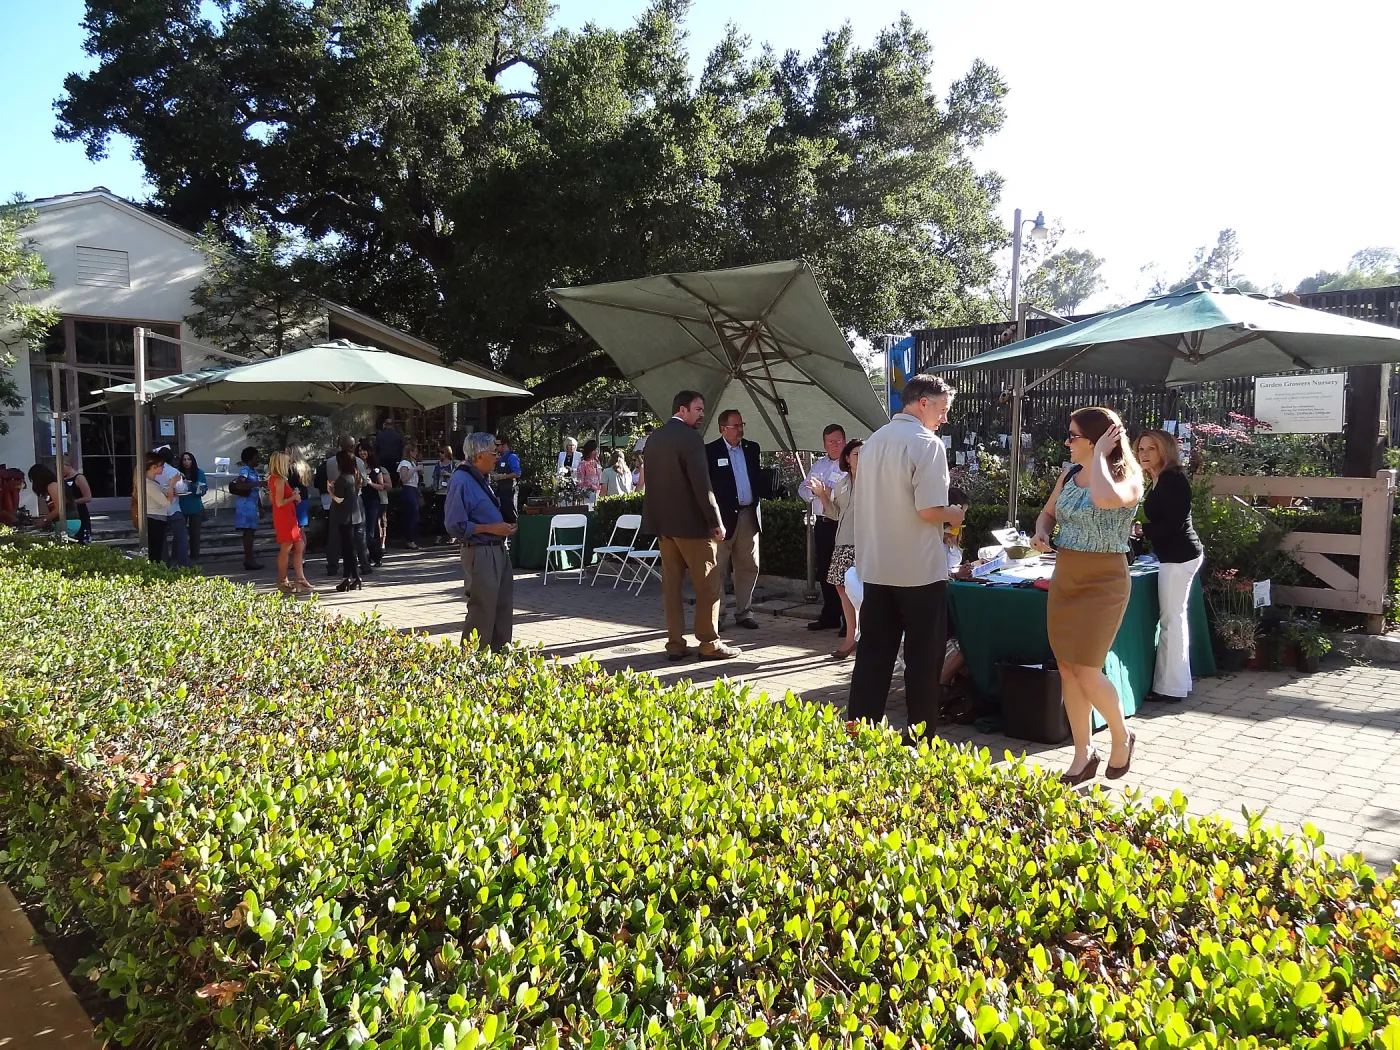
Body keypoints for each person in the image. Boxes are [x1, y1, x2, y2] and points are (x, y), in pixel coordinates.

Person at [1031, 406, 1144, 784]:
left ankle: (1120, 735)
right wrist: (1042, 532)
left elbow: (1105, 500)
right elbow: (1047, 514)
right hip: (1066, 576)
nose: (1067, 441)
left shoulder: (1128, 478)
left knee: (1087, 669)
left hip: (1104, 581)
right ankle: (1083, 754)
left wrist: (1098, 458)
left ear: (1096, 440)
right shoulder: (1068, 473)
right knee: (1067, 669)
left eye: (1074, 435)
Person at [848, 375, 963, 737]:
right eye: (942, 410)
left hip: (877, 564)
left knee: (872, 655)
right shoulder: (926, 443)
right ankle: (920, 738)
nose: (944, 419)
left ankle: (859, 733)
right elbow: (929, 510)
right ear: (923, 403)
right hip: (917, 571)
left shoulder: (874, 441)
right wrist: (954, 514)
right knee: (923, 660)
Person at [639, 390, 739, 661]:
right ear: (681, 410)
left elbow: (653, 484)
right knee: (708, 586)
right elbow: (702, 485)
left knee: (671, 588)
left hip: (664, 528)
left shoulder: (654, 439)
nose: (702, 414)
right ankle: (709, 644)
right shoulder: (691, 439)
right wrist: (715, 521)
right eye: (698, 409)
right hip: (693, 528)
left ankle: (675, 644)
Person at [1135, 428, 1204, 703]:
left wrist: (1143, 531)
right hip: (1176, 556)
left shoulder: (1172, 479)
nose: (1144, 454)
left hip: (1179, 558)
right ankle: (1177, 683)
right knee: (1174, 620)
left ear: (1165, 451)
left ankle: (1170, 688)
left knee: (1171, 623)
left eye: (1151, 449)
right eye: (1141, 449)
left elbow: (1173, 523)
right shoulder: (1159, 479)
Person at [445, 431, 518, 649]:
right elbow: (454, 525)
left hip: (497, 549)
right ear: (478, 456)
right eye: (494, 454)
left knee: (502, 608)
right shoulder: (461, 480)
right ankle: (471, 664)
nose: (498, 458)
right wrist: (492, 528)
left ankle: (499, 659)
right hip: (480, 551)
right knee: (482, 611)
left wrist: (501, 529)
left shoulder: (480, 478)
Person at [706, 409, 769, 630]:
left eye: (743, 425)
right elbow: (708, 489)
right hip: (722, 521)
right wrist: (712, 520)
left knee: (749, 566)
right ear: (723, 428)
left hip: (748, 516)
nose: (741, 429)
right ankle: (718, 615)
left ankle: (744, 612)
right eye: (736, 426)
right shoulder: (710, 451)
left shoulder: (752, 449)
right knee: (718, 568)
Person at [809, 438, 863, 659]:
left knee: (862, 594)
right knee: (842, 589)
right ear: (848, 459)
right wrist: (822, 495)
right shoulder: (842, 483)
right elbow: (835, 514)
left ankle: (859, 637)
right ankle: (853, 636)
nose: (862, 458)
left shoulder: (875, 481)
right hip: (842, 543)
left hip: (865, 544)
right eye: (858, 454)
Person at [799, 424, 848, 632]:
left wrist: (825, 491)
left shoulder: (850, 465)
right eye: (830, 442)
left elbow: (845, 495)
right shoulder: (819, 465)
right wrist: (815, 493)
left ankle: (849, 621)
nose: (835, 445)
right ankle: (830, 615)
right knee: (826, 570)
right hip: (822, 523)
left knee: (845, 573)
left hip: (842, 523)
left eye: (838, 441)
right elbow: (803, 488)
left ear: (844, 441)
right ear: (824, 444)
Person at [323, 435, 370, 572]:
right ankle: (364, 564)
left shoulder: (330, 461)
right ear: (352, 447)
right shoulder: (357, 461)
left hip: (337, 500)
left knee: (334, 534)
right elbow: (364, 482)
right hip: (355, 499)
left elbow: (330, 479)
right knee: (359, 533)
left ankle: (332, 565)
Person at [267, 451, 310, 593]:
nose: (289, 464)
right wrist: (293, 498)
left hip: (288, 515)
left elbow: (274, 499)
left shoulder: (277, 479)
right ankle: (283, 580)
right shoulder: (278, 479)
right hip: (284, 517)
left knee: (299, 544)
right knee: (287, 547)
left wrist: (293, 498)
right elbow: (278, 502)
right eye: (286, 462)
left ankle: (300, 578)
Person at [329, 450, 365, 591]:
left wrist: (330, 490)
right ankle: (353, 577)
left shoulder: (342, 479)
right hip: (355, 516)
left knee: (348, 550)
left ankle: (349, 578)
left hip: (344, 517)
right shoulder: (355, 476)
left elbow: (339, 499)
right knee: (350, 548)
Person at [140, 452, 182, 565]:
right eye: (161, 466)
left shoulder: (153, 482)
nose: (163, 468)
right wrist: (172, 484)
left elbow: (165, 494)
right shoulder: (148, 484)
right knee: (155, 551)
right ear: (154, 467)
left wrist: (172, 490)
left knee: (158, 548)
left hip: (158, 518)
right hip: (153, 519)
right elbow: (166, 503)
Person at [154, 447, 193, 567]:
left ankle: (163, 564)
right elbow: (181, 489)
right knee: (181, 537)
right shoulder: (173, 471)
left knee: (161, 539)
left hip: (157, 508)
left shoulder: (152, 471)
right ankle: (183, 564)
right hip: (173, 508)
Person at [27, 463, 84, 539]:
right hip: (69, 521)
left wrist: (44, 520)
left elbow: (60, 508)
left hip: (67, 521)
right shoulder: (54, 485)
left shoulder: (53, 485)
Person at [232, 446, 264, 570]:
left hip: (252, 504)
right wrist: (257, 483)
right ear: (250, 459)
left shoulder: (253, 471)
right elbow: (240, 486)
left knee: (251, 532)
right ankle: (249, 559)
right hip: (245, 505)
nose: (258, 460)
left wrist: (261, 508)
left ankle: (250, 559)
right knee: (248, 532)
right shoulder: (245, 470)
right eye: (256, 458)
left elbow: (256, 492)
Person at [360, 445, 390, 567]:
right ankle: (367, 556)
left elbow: (382, 486)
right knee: (361, 530)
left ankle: (376, 556)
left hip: (373, 501)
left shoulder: (376, 469)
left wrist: (370, 483)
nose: (362, 452)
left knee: (370, 531)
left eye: (364, 450)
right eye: (360, 450)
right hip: (360, 500)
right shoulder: (357, 467)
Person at [177, 452, 208, 560]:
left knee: (195, 533)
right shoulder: (178, 473)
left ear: (192, 461)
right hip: (181, 506)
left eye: (188, 459)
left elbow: (203, 490)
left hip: (195, 505)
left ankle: (195, 557)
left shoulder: (199, 473)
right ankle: (181, 556)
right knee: (181, 533)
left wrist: (194, 485)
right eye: (184, 460)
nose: (186, 462)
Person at [492, 436, 522, 523]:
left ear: (504, 445)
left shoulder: (512, 457)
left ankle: (515, 535)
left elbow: (517, 473)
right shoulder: (500, 458)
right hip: (501, 490)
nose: (496, 447)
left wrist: (502, 477)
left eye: (498, 445)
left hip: (510, 490)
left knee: (511, 514)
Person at [398, 443, 422, 549]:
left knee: (415, 515)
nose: (416, 453)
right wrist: (414, 469)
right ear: (410, 452)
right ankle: (409, 540)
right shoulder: (404, 463)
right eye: (415, 451)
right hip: (408, 488)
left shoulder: (413, 462)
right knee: (411, 515)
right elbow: (404, 479)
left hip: (414, 488)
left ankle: (411, 538)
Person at [576, 440, 603, 507]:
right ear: (590, 451)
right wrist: (590, 486)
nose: (597, 451)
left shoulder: (597, 463)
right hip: (588, 494)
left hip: (598, 492)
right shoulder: (583, 464)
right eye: (595, 449)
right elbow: (579, 482)